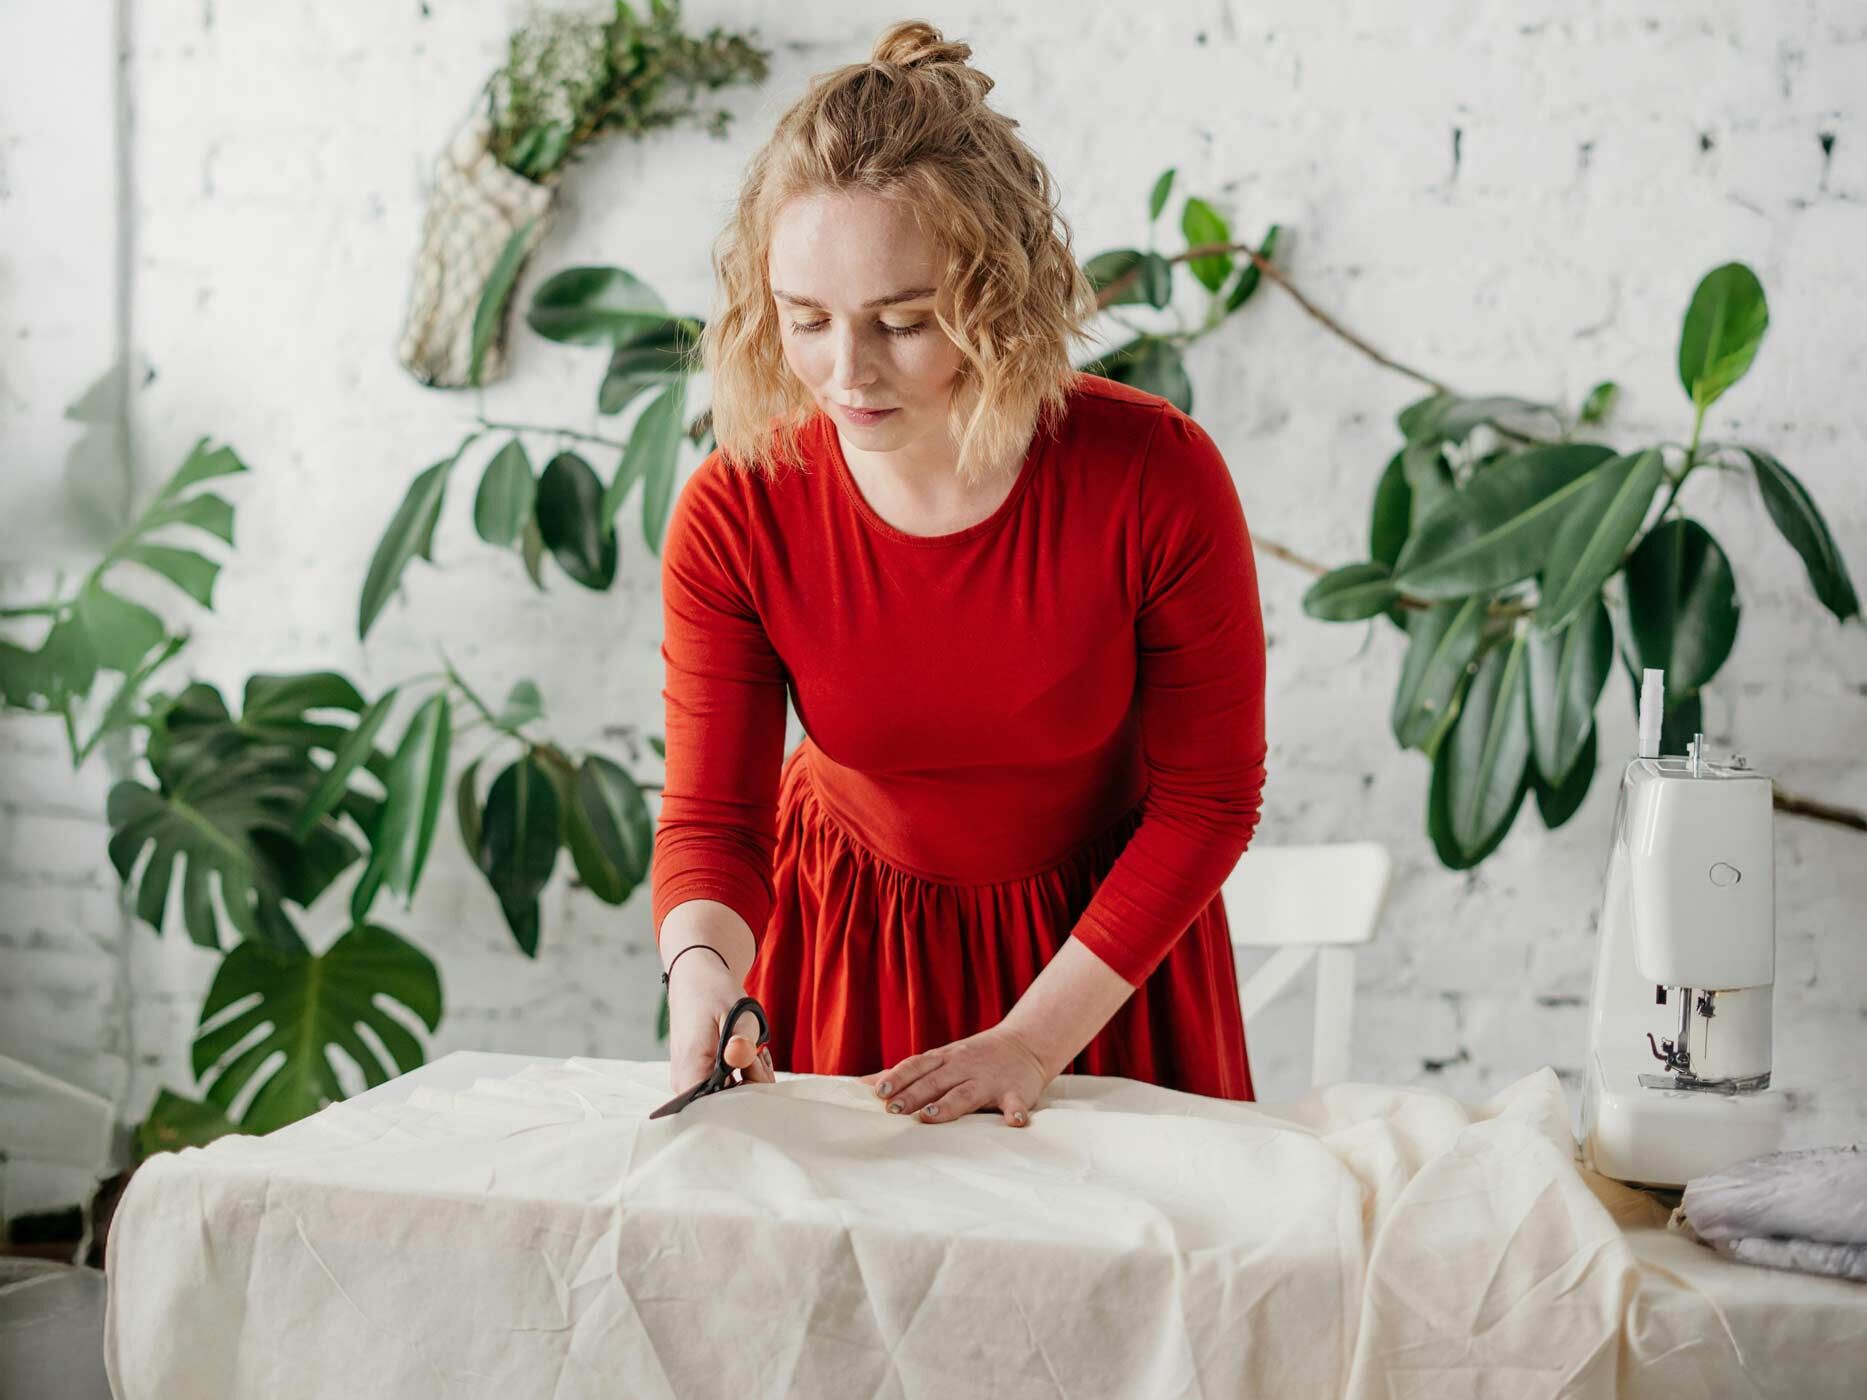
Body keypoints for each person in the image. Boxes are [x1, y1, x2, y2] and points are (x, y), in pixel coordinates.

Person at [653, 19, 1268, 1128]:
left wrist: (1033, 1040)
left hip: (1101, 961)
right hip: (847, 941)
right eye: (806, 321)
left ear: (1000, 299)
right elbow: (714, 817)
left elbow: (1206, 801)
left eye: (903, 322)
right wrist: (701, 969)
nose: (846, 373)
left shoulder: (1152, 478)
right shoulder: (737, 509)